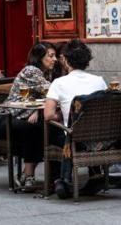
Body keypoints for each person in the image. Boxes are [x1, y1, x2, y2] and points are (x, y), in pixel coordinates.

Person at [45, 39, 107, 198]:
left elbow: (48, 115)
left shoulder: (59, 83)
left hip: (74, 138)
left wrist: (63, 114)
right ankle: (95, 174)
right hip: (101, 137)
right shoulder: (99, 81)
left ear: (65, 60)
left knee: (52, 129)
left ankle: (60, 179)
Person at [0, 42, 56, 192]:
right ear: (39, 57)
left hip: (23, 117)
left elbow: (40, 98)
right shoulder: (31, 70)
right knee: (34, 129)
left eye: (55, 56)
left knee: (45, 128)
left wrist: (36, 111)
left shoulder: (45, 72)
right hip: (7, 118)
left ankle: (26, 175)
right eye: (50, 56)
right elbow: (52, 92)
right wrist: (35, 110)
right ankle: (28, 176)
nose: (54, 59)